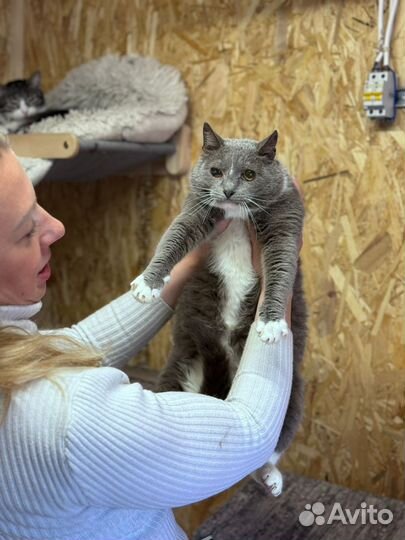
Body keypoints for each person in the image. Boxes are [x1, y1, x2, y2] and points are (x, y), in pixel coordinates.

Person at [0, 137, 295, 540]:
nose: (57, 226)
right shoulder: (66, 418)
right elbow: (250, 432)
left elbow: (65, 349)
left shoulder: (11, 350)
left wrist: (184, 262)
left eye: (38, 204)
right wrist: (278, 291)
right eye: (25, 230)